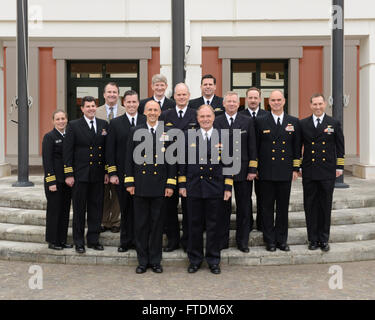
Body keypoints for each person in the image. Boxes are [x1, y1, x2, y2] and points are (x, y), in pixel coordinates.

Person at [179, 104, 233, 274]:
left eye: (208, 116)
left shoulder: (223, 136)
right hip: (194, 186)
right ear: (197, 119)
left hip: (215, 188)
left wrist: (227, 187)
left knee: (213, 226)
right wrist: (182, 184)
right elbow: (182, 162)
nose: (205, 119)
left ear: (213, 117)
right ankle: (194, 259)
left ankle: (213, 260)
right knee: (193, 225)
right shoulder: (188, 136)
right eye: (202, 117)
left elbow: (229, 164)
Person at [125, 100, 176, 274]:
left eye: (155, 109)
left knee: (157, 226)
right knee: (140, 225)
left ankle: (155, 260)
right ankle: (142, 261)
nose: (153, 112)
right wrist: (130, 182)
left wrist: (170, 183)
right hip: (139, 185)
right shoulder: (135, 131)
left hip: (160, 186)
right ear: (144, 112)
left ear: (160, 112)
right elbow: (129, 159)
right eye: (150, 110)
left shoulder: (167, 132)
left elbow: (171, 161)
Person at [255, 90, 301, 252]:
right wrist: (256, 167)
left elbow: (296, 148)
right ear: (269, 102)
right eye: (273, 100)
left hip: (285, 172)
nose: (276, 102)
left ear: (284, 101)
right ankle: (270, 241)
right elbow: (256, 147)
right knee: (267, 208)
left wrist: (296, 168)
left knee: (282, 208)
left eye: (278, 100)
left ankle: (282, 240)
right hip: (266, 172)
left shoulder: (293, 121)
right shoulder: (261, 121)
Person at [300, 93, 345, 252]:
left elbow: (340, 146)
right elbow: (298, 146)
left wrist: (339, 167)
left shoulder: (333, 123)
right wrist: (297, 165)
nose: (318, 107)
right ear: (310, 105)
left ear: (325, 104)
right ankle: (312, 239)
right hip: (309, 171)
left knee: (325, 206)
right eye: (315, 104)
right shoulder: (303, 123)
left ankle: (324, 239)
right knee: (310, 205)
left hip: (327, 171)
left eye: (320, 104)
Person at [63, 96, 108, 254]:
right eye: (87, 106)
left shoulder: (103, 125)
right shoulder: (74, 126)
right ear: (82, 109)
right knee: (79, 210)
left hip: (97, 175)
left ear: (96, 107)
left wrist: (107, 171)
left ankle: (93, 240)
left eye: (93, 106)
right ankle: (79, 241)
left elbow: (106, 151)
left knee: (96, 209)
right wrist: (69, 174)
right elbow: (67, 153)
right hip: (79, 175)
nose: (91, 108)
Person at [215, 91, 257, 253]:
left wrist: (253, 169)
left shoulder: (246, 121)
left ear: (239, 104)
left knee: (244, 207)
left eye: (234, 102)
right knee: (222, 208)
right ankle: (222, 241)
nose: (231, 104)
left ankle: (242, 241)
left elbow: (252, 146)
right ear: (223, 104)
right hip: (222, 171)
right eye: (228, 102)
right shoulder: (217, 121)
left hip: (243, 170)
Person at [106, 90, 146, 252]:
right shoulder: (115, 123)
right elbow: (110, 151)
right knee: (125, 209)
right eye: (128, 102)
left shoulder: (145, 120)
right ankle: (125, 241)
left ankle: (139, 242)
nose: (131, 105)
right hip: (122, 175)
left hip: (143, 176)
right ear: (123, 104)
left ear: (138, 103)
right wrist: (112, 173)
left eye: (134, 102)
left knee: (139, 211)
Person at [159, 83, 198, 253]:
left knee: (189, 207)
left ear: (189, 95)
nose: (181, 97)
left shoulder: (196, 114)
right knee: (169, 206)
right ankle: (173, 240)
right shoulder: (165, 115)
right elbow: (160, 141)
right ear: (174, 96)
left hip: (190, 166)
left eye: (184, 94)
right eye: (178, 95)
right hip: (170, 166)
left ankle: (188, 241)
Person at [96, 82, 126, 233]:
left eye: (114, 92)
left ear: (118, 94)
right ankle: (102, 220)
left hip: (118, 159)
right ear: (104, 95)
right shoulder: (96, 111)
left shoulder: (125, 111)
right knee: (102, 192)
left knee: (116, 193)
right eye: (109, 92)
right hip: (99, 160)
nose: (112, 95)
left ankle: (115, 221)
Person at [42, 110, 72, 251]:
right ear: (53, 121)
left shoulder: (69, 136)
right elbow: (47, 162)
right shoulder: (49, 137)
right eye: (58, 119)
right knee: (54, 211)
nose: (61, 121)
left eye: (63, 118)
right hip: (55, 181)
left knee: (65, 211)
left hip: (66, 181)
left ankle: (62, 239)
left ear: (67, 120)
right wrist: (51, 182)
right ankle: (52, 241)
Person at [241, 87, 268, 231]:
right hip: (245, 165)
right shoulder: (240, 115)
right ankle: (248, 224)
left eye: (255, 97)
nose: (252, 100)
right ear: (246, 99)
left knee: (262, 197)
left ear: (259, 99)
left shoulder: (267, 116)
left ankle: (262, 224)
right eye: (250, 97)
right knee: (245, 198)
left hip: (264, 165)